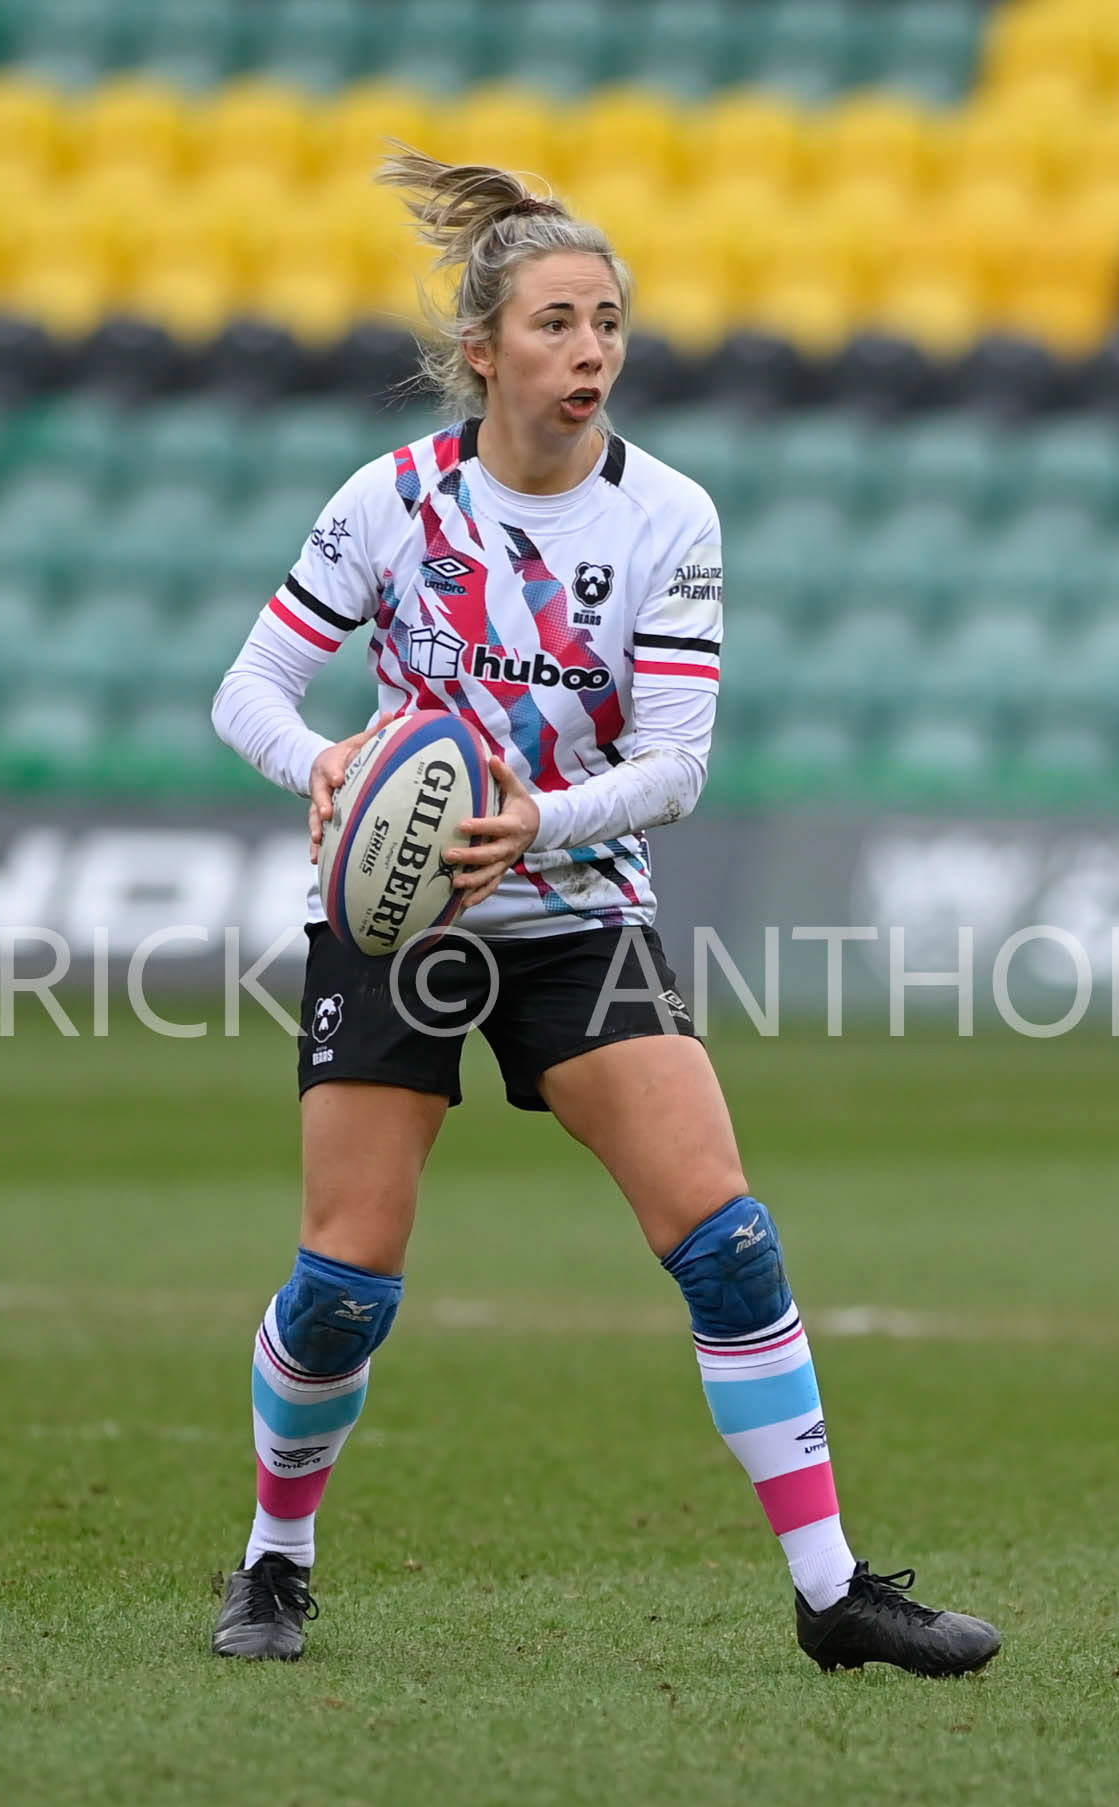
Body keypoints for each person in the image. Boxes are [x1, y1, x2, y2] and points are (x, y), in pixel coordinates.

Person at [208, 146, 1001, 1677]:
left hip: (579, 911)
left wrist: (537, 822)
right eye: (560, 323)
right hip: (399, 925)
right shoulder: (388, 502)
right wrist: (322, 766)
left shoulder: (670, 517)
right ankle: (275, 1561)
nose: (592, 352)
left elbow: (680, 765)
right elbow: (245, 690)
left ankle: (833, 1593)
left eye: (611, 322)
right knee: (343, 1288)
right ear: (485, 348)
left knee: (730, 1246)